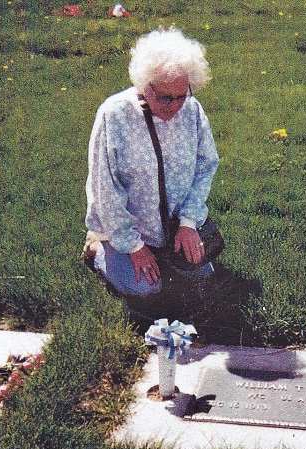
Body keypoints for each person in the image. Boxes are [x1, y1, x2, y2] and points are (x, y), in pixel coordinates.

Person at [83, 27, 219, 321]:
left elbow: (206, 165)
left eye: (181, 96)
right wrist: (133, 246)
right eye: (165, 98)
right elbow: (105, 189)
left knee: (201, 277)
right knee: (146, 289)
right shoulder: (114, 114)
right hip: (125, 228)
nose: (174, 106)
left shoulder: (192, 110)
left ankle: (164, 248)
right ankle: (98, 249)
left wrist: (188, 223)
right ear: (145, 85)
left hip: (172, 227)